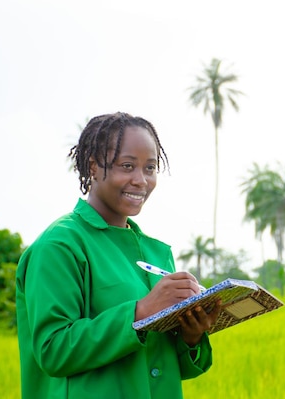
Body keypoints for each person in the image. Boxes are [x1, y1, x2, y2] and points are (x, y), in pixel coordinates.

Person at [15, 112, 221, 399]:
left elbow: (160, 367)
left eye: (150, 168)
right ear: (94, 167)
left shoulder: (156, 254)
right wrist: (141, 312)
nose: (141, 180)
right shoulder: (59, 245)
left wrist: (191, 336)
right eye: (127, 166)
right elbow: (53, 350)